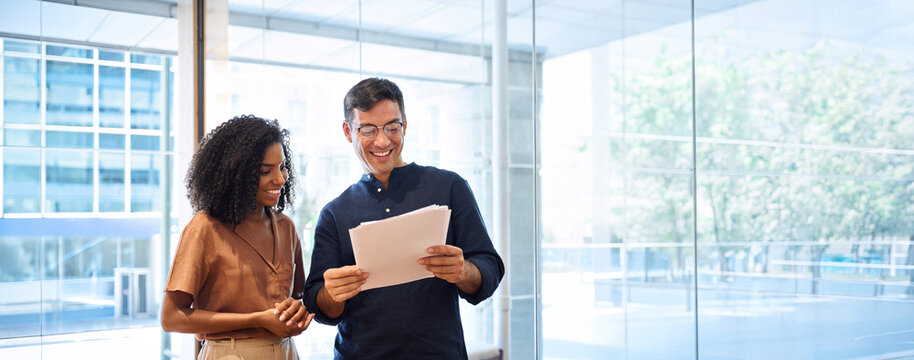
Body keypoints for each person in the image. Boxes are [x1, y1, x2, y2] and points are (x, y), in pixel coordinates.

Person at [303, 77, 505, 359]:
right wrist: (332, 293)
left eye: (392, 127)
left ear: (405, 125)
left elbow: (489, 268)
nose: (383, 140)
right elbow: (317, 301)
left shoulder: (449, 187)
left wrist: (463, 271)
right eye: (368, 130)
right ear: (349, 132)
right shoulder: (335, 213)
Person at [161, 115, 315, 360]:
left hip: (286, 352)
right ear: (237, 174)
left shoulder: (286, 227)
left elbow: (299, 297)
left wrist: (298, 310)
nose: (280, 179)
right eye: (266, 171)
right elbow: (171, 317)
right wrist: (257, 320)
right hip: (230, 353)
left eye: (283, 167)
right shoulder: (205, 228)